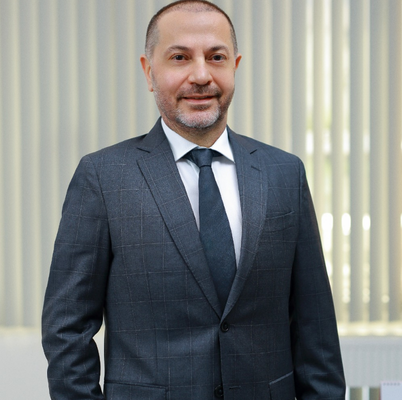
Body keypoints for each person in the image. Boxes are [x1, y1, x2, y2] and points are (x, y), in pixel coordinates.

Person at [41, 1, 345, 399]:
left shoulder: (284, 173)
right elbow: (67, 330)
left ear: (234, 66)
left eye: (216, 57)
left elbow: (315, 326)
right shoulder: (103, 177)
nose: (201, 75)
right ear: (149, 72)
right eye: (179, 57)